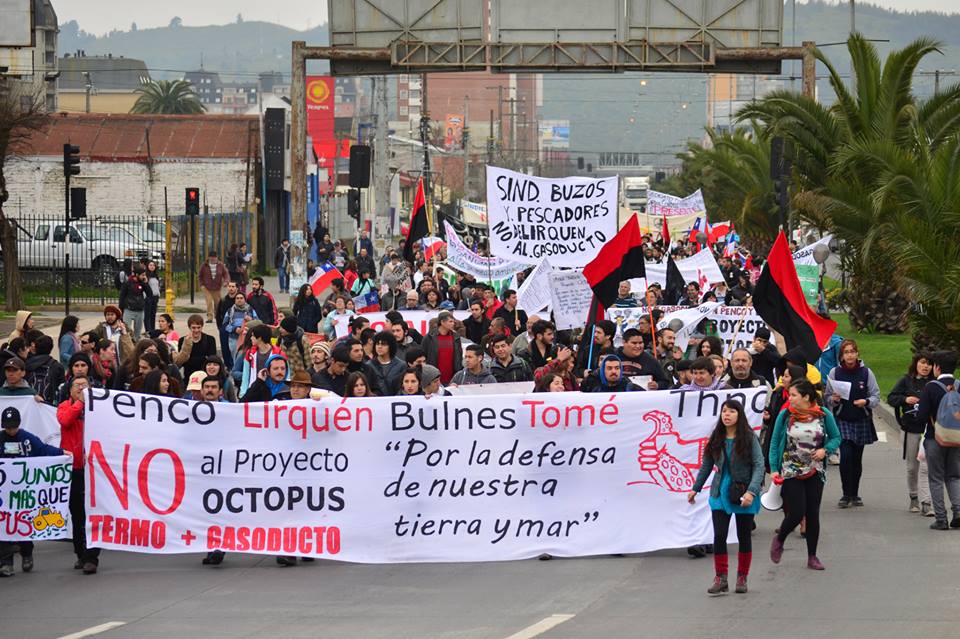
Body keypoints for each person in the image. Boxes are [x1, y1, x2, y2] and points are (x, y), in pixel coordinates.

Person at [688, 400, 764, 595]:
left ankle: (742, 577)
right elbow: (706, 465)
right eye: (724, 411)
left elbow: (759, 465)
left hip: (743, 492)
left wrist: (751, 491)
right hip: (719, 493)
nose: (727, 414)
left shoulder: (748, 437)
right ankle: (721, 577)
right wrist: (695, 488)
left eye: (731, 411)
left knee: (743, 535)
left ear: (739, 415)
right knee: (719, 535)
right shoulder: (716, 438)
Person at [769, 379, 841, 571]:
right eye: (789, 395)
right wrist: (774, 468)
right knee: (797, 512)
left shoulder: (823, 415)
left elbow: (836, 437)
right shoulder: (786, 415)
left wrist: (825, 451)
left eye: (793, 395)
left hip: (815, 470)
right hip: (791, 469)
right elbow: (775, 442)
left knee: (812, 513)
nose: (790, 399)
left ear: (806, 397)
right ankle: (780, 538)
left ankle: (812, 556)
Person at [0, 406, 65, 577]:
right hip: (4, 494)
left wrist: (62, 453)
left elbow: (44, 450)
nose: (11, 430)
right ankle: (6, 563)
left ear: (19, 424)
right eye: (7, 427)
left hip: (24, 493)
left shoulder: (28, 439)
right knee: (4, 525)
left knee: (23, 524)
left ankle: (27, 553)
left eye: (13, 426)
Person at [825, 339, 880, 508]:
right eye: (846, 352)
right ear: (842, 355)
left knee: (856, 458)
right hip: (842, 419)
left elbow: (876, 396)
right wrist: (833, 399)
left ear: (857, 354)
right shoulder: (835, 372)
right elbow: (827, 398)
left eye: (852, 351)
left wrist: (866, 401)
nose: (850, 355)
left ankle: (855, 493)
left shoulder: (866, 373)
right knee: (846, 456)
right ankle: (845, 494)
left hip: (861, 418)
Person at [57, 376, 101, 574]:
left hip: (92, 468)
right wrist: (80, 403)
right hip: (72, 469)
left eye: (85, 386)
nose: (82, 388)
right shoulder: (65, 406)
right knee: (77, 514)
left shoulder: (98, 408)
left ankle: (92, 557)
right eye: (78, 385)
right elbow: (66, 421)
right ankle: (80, 554)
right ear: (70, 390)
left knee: (93, 512)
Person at [915, 350, 960, 530]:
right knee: (954, 476)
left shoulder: (931, 387)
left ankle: (941, 519)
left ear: (937, 367)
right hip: (956, 438)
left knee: (935, 478)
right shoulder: (958, 385)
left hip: (935, 438)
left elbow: (922, 416)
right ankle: (958, 512)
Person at [888, 352, 935, 514]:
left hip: (930, 431)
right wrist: (905, 400)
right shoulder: (906, 380)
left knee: (926, 467)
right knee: (912, 467)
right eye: (922, 362)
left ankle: (926, 502)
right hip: (911, 430)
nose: (925, 366)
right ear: (916, 363)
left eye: (929, 364)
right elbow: (891, 398)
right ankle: (913, 497)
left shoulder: (934, 383)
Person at [239, 324, 283, 397]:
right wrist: (243, 393)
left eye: (253, 336)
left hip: (273, 393)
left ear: (259, 338)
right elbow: (246, 375)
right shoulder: (250, 353)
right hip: (254, 391)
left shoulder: (279, 354)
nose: (251, 338)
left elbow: (285, 375)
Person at [421, 311, 462, 385]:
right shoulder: (429, 337)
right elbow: (423, 355)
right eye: (450, 321)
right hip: (433, 379)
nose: (453, 323)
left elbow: (459, 356)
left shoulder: (456, 337)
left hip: (452, 379)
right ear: (442, 322)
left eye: (453, 321)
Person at [175, 315, 218, 380]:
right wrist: (203, 358)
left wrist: (191, 360)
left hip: (205, 375)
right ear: (189, 327)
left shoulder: (210, 340)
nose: (196, 330)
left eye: (199, 327)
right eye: (194, 328)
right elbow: (182, 361)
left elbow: (211, 359)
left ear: (202, 327)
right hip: (189, 375)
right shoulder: (182, 340)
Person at [25, 335, 65, 404]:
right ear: (51, 348)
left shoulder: (26, 364)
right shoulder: (57, 366)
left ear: (35, 347)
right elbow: (61, 388)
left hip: (30, 403)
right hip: (50, 404)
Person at [364, 331, 405, 396]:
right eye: (377, 344)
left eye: (383, 344)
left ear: (390, 346)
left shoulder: (401, 365)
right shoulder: (369, 365)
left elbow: (403, 388)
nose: (379, 347)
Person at [199, 251, 230, 324]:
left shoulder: (221, 265)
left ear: (217, 258)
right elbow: (200, 276)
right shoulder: (204, 265)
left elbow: (226, 274)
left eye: (214, 257)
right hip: (207, 287)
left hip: (217, 287)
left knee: (217, 303)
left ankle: (218, 316)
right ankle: (210, 317)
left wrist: (226, 281)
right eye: (211, 257)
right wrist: (202, 285)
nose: (213, 259)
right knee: (209, 302)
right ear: (209, 257)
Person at [223, 291, 258, 356]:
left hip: (248, 338)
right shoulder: (230, 311)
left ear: (245, 300)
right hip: (234, 339)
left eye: (241, 298)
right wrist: (234, 329)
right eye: (237, 298)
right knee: (236, 359)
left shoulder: (250, 310)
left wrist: (251, 320)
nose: (239, 300)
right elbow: (225, 325)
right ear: (235, 300)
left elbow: (258, 323)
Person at [144, 260, 161, 336]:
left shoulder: (156, 275)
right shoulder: (146, 276)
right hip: (148, 297)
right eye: (150, 265)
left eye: (153, 265)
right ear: (147, 266)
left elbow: (157, 286)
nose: (152, 267)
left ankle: (153, 330)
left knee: (153, 314)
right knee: (147, 314)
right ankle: (148, 330)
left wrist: (158, 294)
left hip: (155, 297)